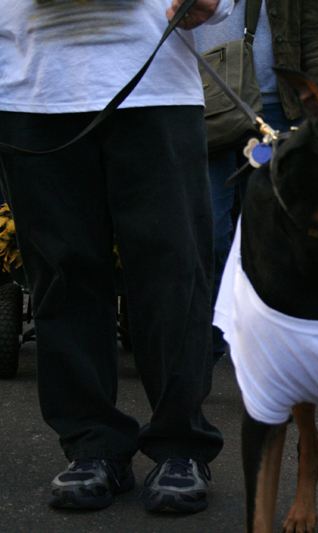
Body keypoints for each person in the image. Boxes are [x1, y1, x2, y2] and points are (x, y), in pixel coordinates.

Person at [0, 0, 230, 513]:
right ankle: (92, 443)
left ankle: (181, 445)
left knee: (173, 272)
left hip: (155, 87)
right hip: (32, 89)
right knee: (62, 276)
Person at [194, 0, 318, 364]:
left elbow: (315, 37)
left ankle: (271, 351)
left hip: (273, 117)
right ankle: (210, 343)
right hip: (205, 109)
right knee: (207, 233)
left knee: (275, 236)